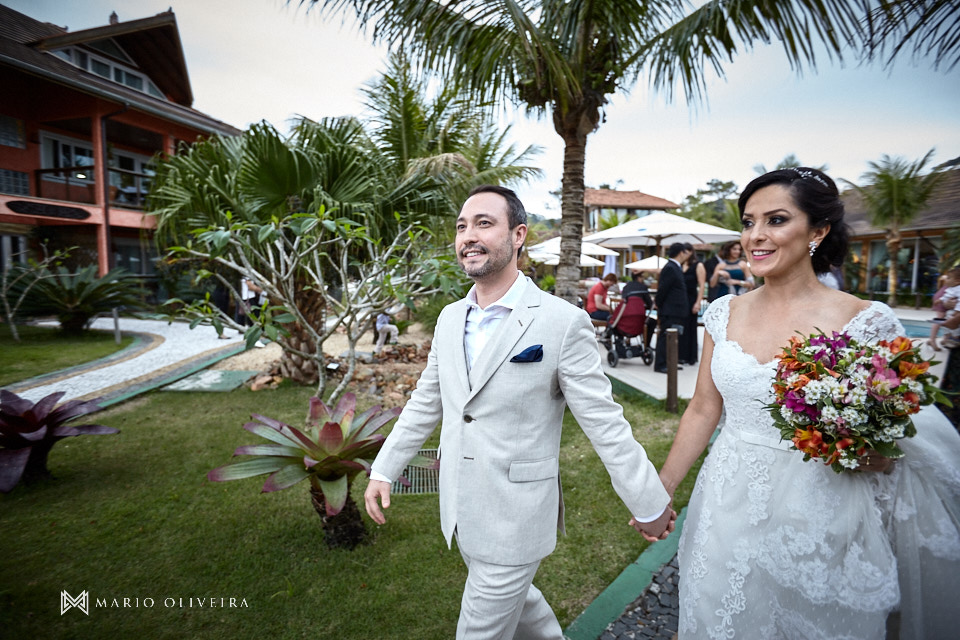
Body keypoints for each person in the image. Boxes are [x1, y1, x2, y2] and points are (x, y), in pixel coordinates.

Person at [655, 167, 960, 639]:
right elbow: (703, 408)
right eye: (748, 221)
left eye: (776, 220)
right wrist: (664, 487)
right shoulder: (723, 312)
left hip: (824, 505)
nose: (756, 235)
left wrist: (874, 452)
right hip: (729, 494)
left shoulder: (866, 321)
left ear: (818, 231)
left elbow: (898, 431)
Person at [363, 185, 675, 639]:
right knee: (527, 610)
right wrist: (384, 469)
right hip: (459, 505)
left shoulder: (561, 322)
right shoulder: (449, 318)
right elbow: (425, 403)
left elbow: (605, 423)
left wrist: (648, 501)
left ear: (519, 235)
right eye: (462, 226)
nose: (468, 235)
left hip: (517, 517)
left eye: (484, 223)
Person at [653, 243, 691, 373]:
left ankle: (670, 363)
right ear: (681, 253)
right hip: (670, 310)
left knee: (673, 339)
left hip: (676, 310)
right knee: (666, 337)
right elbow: (663, 289)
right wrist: (659, 304)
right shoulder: (670, 268)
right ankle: (661, 364)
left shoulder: (676, 267)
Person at [680, 243, 706, 366]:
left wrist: (698, 302)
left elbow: (701, 285)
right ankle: (681, 355)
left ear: (690, 252)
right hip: (680, 300)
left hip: (691, 299)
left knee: (690, 327)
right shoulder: (679, 265)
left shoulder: (698, 265)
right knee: (681, 328)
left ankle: (690, 356)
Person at [621, 270, 657, 349]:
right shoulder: (643, 288)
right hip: (639, 320)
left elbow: (623, 302)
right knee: (653, 322)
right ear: (639, 278)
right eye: (642, 277)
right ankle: (646, 346)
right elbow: (650, 304)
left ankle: (624, 343)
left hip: (624, 320)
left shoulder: (626, 287)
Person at [929, 267, 960, 351]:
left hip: (945, 300)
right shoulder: (953, 284)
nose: (947, 279)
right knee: (944, 319)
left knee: (944, 319)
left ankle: (944, 338)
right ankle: (944, 338)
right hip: (943, 299)